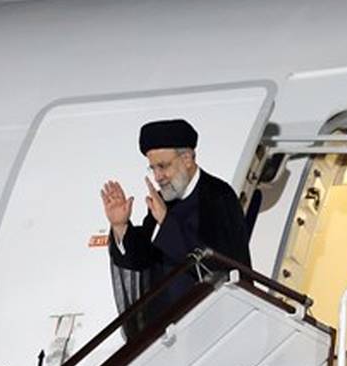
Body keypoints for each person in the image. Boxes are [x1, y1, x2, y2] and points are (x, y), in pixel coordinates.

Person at [101, 118, 250, 336]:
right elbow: (142, 259)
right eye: (153, 168)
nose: (157, 177)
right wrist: (121, 226)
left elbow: (218, 263)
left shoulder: (218, 196)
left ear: (187, 159)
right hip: (163, 331)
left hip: (208, 328)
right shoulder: (164, 198)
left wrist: (166, 221)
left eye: (163, 166)